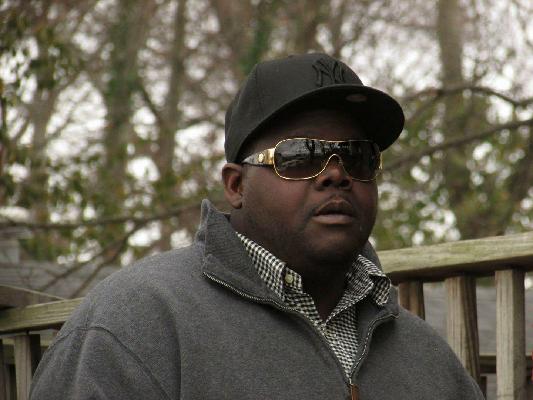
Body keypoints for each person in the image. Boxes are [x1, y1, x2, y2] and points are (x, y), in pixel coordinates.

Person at [30, 53, 484, 399]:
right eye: (300, 155)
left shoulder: (428, 357)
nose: (336, 173)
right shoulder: (137, 322)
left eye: (357, 157)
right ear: (236, 185)